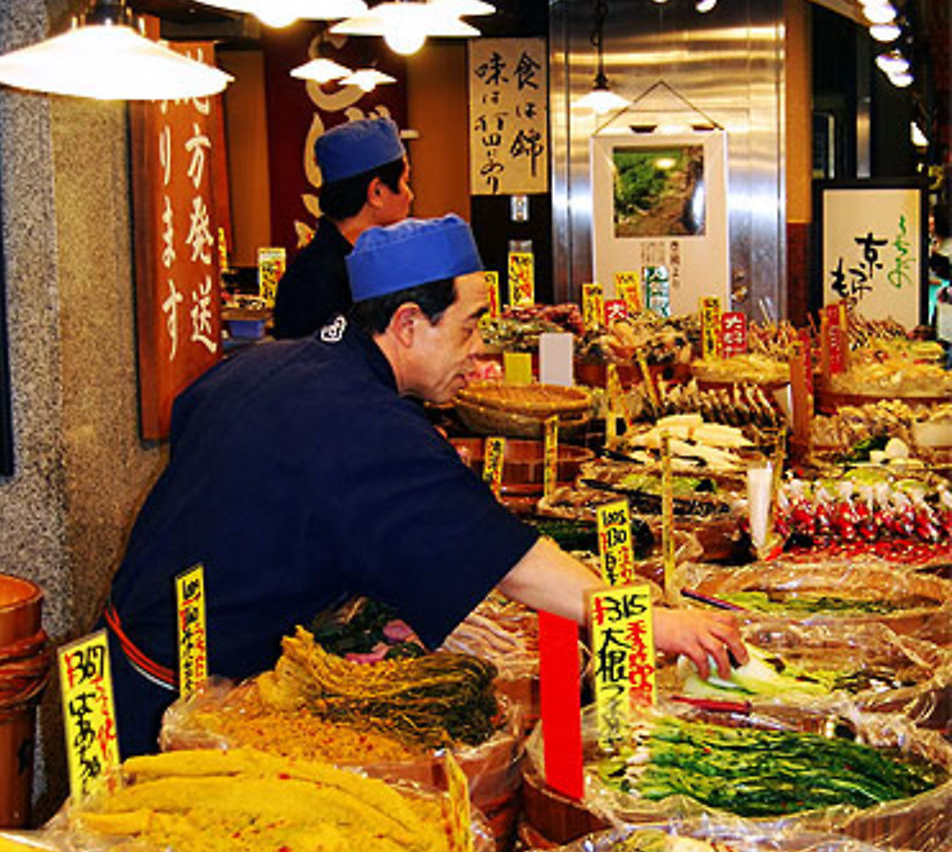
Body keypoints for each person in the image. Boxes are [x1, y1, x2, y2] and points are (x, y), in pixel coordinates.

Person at [102, 214, 745, 756]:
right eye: (468, 327)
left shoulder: (275, 361)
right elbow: (514, 564)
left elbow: (202, 433)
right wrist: (652, 621)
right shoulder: (366, 422)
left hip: (142, 638)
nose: (479, 349)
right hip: (177, 687)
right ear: (409, 324)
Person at [271, 115, 412, 340]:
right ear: (376, 192)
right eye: (405, 181)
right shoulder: (313, 279)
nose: (410, 195)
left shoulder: (369, 261)